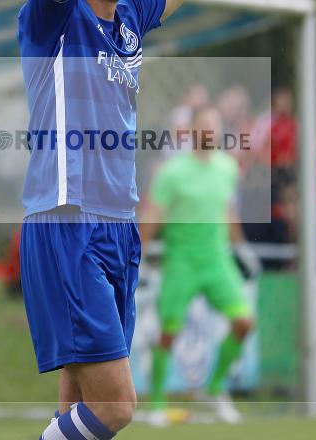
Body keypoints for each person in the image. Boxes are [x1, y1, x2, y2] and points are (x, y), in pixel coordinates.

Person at [17, 0, 207, 440]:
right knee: (117, 407)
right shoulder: (55, 15)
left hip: (117, 228)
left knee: (79, 403)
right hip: (68, 220)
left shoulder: (130, 17)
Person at [139, 105, 255, 426]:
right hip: (182, 261)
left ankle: (215, 388)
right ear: (189, 132)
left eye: (213, 125)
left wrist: (241, 247)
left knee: (244, 322)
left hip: (217, 259)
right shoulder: (172, 171)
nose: (208, 131)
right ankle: (159, 406)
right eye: (202, 125)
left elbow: (228, 211)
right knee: (168, 334)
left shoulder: (227, 168)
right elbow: (152, 215)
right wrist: (137, 259)